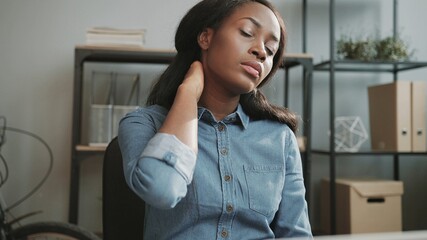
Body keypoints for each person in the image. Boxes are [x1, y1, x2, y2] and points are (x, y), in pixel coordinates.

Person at [118, 0, 313, 239]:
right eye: (247, 33)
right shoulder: (142, 123)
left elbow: (296, 234)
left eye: (271, 50)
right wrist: (188, 93)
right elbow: (163, 190)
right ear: (205, 38)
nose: (261, 52)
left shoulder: (280, 137)